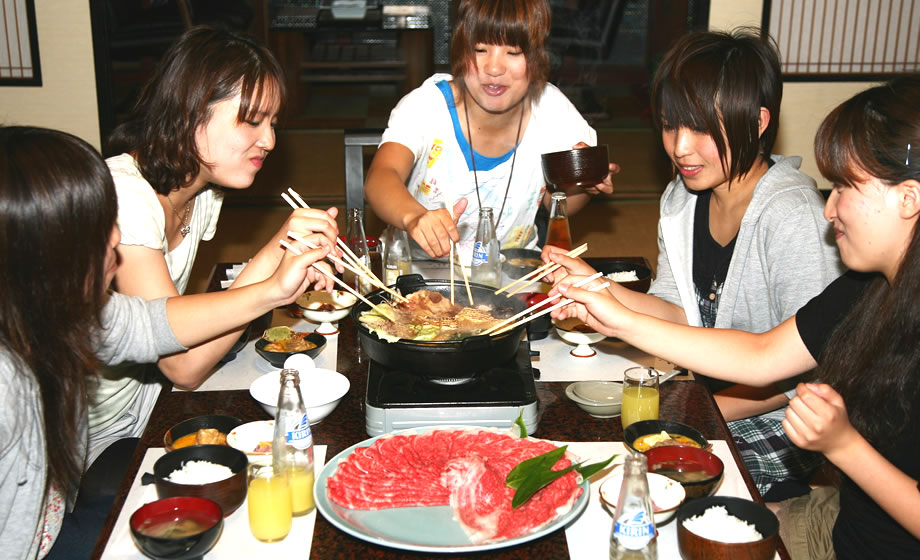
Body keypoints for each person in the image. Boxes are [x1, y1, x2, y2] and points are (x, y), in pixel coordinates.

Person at [550, 75, 920, 559]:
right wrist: (612, 309)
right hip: (840, 523)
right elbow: (763, 354)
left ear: (908, 198)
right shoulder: (868, 287)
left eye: (845, 186)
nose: (828, 209)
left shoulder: (794, 216)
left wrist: (844, 446)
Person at [0, 125, 330, 559]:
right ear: (35, 248)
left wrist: (276, 289)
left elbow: (155, 324)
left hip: (58, 517)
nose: (116, 240)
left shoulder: (58, 311)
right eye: (95, 228)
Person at [544, 28, 843, 499]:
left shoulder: (794, 215)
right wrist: (597, 288)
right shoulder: (682, 198)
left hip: (786, 415)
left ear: (758, 121)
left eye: (702, 128)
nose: (681, 147)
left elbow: (808, 369)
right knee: (587, 445)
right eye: (669, 125)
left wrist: (699, 411)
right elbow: (678, 308)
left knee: (649, 481)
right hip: (708, 389)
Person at [95, 26, 341, 469]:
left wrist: (282, 247)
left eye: (273, 123)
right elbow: (184, 367)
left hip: (149, 401)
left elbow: (189, 346)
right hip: (97, 434)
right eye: (252, 120)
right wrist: (275, 286)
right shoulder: (125, 197)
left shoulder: (202, 192)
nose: (268, 140)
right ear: (190, 111)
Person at [364, 0, 617, 263]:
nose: (494, 68)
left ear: (537, 57)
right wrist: (413, 216)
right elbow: (381, 176)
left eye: (514, 52)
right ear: (462, 52)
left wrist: (584, 184)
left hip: (511, 270)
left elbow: (559, 204)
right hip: (416, 268)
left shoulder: (552, 110)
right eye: (480, 49)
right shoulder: (428, 106)